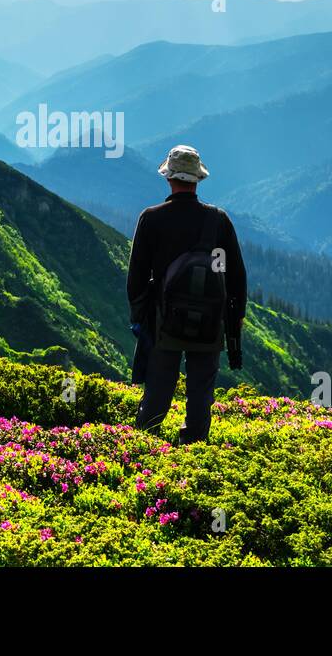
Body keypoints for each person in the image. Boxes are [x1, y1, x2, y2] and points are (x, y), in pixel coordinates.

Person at [127, 144, 246, 444]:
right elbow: (236, 277)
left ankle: (143, 446)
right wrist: (233, 321)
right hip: (210, 323)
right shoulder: (218, 221)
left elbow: (137, 277)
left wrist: (139, 316)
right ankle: (193, 449)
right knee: (201, 391)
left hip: (164, 320)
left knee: (159, 387)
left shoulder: (152, 218)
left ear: (169, 177)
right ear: (197, 180)